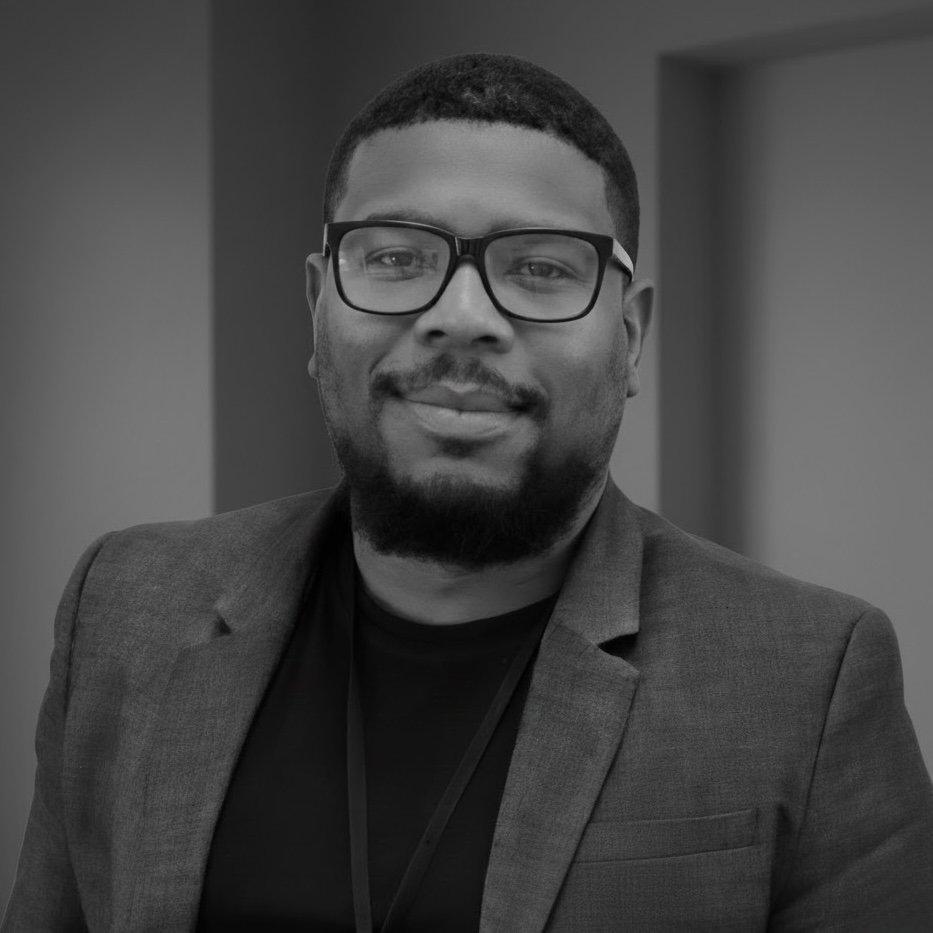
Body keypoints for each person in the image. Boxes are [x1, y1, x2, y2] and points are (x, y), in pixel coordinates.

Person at [3, 52, 932, 933]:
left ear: (630, 335)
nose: (460, 318)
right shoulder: (122, 606)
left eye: (539, 267)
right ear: (317, 308)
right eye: (397, 257)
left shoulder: (810, 679)